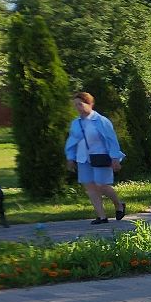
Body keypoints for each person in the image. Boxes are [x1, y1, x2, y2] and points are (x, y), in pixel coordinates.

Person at [65, 91, 127, 223]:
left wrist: (115, 157)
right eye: (75, 105)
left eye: (80, 104)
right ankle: (101, 216)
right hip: (83, 158)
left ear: (90, 104)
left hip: (100, 156)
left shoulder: (101, 121)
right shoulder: (76, 123)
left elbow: (111, 140)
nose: (78, 108)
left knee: (102, 185)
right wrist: (70, 157)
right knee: (90, 187)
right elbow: (72, 140)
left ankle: (119, 204)